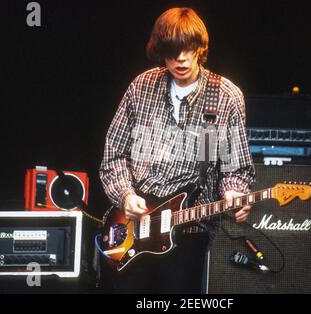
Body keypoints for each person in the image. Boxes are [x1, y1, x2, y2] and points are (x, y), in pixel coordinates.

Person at [99, 7, 255, 294]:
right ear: (161, 51)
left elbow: (237, 168)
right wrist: (126, 195)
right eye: (172, 52)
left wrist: (234, 192)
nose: (180, 59)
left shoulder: (224, 96)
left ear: (200, 48)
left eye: (187, 50)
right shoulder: (141, 87)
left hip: (190, 230)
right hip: (135, 225)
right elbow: (113, 155)